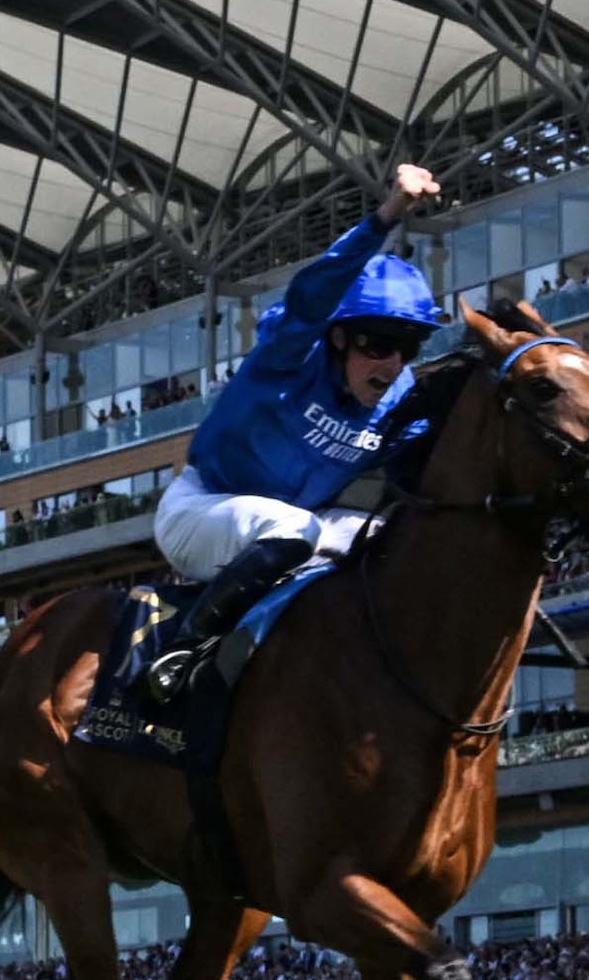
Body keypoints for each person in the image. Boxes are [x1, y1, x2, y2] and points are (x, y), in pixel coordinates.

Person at [137, 165, 450, 707]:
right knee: (296, 526)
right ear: (338, 337)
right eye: (378, 345)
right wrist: (386, 217)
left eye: (408, 348)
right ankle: (183, 654)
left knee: (392, 542)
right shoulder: (289, 358)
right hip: (202, 508)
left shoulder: (398, 399)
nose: (392, 364)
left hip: (297, 531)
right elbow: (314, 292)